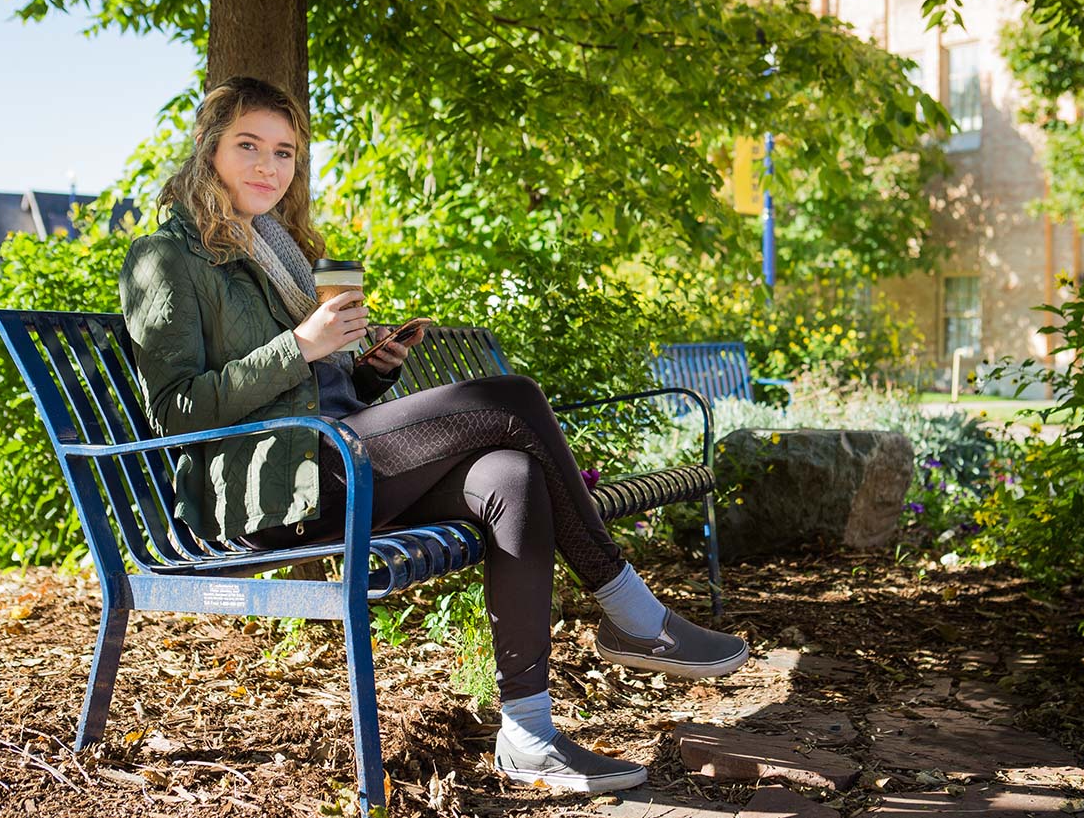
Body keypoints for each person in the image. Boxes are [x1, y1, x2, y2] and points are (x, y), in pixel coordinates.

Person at [119, 76, 748, 793]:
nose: (269, 166)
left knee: (511, 474)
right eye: (249, 146)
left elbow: (320, 393)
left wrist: (370, 370)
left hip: (331, 459)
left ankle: (530, 735)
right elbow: (175, 413)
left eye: (285, 152)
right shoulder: (165, 257)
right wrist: (301, 343)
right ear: (207, 149)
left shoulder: (280, 250)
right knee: (507, 398)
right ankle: (634, 613)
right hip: (270, 492)